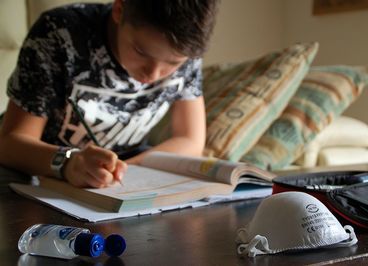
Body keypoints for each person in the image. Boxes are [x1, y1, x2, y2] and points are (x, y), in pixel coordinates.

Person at [0, 0, 219, 188]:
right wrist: (69, 164)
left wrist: (125, 172)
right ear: (119, 9)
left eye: (173, 63)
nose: (153, 74)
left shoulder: (186, 47)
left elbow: (190, 140)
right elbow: (11, 143)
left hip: (120, 172)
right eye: (141, 51)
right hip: (43, 165)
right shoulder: (59, 34)